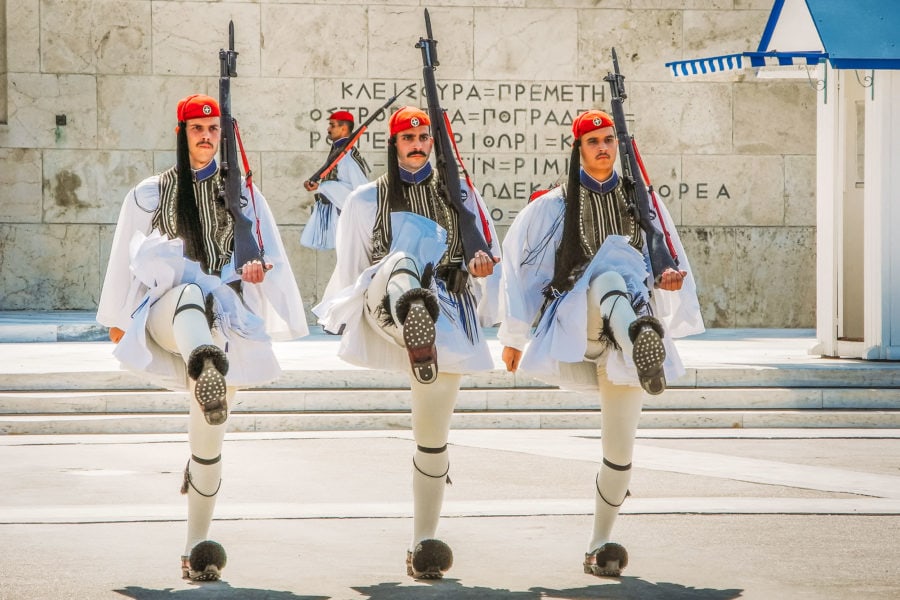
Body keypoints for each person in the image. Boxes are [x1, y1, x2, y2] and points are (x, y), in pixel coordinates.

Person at [96, 93, 309, 582]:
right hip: (166, 311)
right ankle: (204, 361)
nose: (207, 137)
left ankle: (197, 550)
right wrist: (116, 318)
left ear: (223, 135)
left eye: (214, 129)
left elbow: (270, 256)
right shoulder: (150, 193)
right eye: (197, 129)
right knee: (189, 292)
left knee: (208, 439)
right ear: (182, 135)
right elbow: (122, 259)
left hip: (223, 320)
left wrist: (259, 274)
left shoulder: (246, 196)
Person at [498, 109, 704, 578]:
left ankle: (600, 544)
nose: (604, 148)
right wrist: (513, 335)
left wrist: (670, 280)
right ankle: (640, 345)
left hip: (631, 328)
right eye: (593, 142)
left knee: (620, 449)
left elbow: (669, 256)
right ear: (579, 150)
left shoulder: (642, 203)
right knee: (608, 274)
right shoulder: (552, 205)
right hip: (580, 323)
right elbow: (518, 270)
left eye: (609, 139)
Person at [315, 106, 501, 580]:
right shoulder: (364, 199)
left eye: (423, 137)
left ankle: (424, 544)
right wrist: (343, 320)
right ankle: (412, 312)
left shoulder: (461, 196)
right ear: (393, 144)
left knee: (432, 436)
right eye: (408, 138)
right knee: (398, 264)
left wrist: (481, 271)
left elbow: (488, 260)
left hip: (444, 317)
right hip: (386, 306)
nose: (417, 144)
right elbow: (354, 269)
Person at [301, 110, 370, 250]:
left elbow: (361, 191)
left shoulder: (348, 156)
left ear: (344, 128)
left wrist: (322, 187)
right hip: (340, 218)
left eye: (332, 125)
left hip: (349, 222)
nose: (328, 129)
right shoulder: (339, 150)